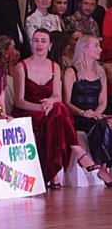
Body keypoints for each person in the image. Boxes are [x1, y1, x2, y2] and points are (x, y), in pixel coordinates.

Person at [12, 29, 98, 189]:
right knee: (59, 112)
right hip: (27, 110)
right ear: (31, 44)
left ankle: (54, 174)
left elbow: (58, 96)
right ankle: (78, 154)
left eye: (43, 41)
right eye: (36, 40)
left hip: (50, 111)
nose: (39, 44)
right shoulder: (21, 67)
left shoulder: (55, 67)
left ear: (50, 45)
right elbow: (19, 102)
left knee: (58, 110)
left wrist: (50, 102)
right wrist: (41, 107)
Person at [63, 35, 112, 185]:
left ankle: (103, 167)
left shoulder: (101, 72)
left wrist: (96, 113)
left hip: (95, 114)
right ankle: (102, 168)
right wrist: (83, 112)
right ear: (84, 49)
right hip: (77, 114)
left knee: (106, 122)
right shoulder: (71, 72)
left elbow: (103, 101)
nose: (100, 49)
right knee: (103, 124)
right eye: (96, 45)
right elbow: (66, 102)